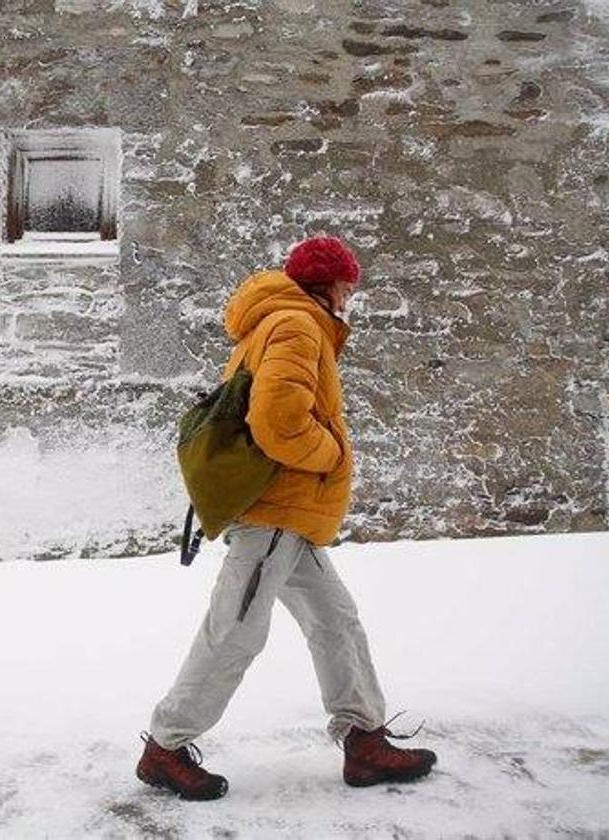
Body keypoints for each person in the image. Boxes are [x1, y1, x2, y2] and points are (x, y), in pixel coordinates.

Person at [136, 235, 436, 800]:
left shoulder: (283, 323)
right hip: (275, 516)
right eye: (348, 285)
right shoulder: (297, 325)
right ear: (328, 285)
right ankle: (165, 747)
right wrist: (333, 453)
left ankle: (364, 741)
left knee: (336, 620)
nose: (351, 297)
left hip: (289, 519)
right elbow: (277, 422)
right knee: (235, 631)